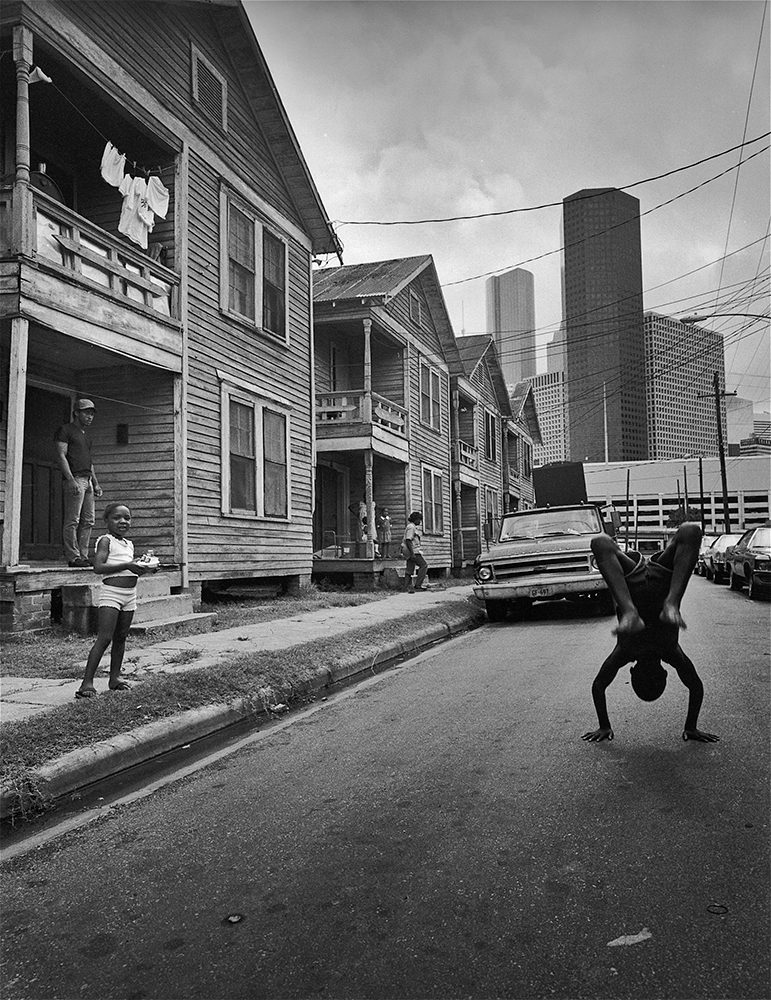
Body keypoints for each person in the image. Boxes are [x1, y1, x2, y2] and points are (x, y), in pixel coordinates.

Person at [582, 522, 719, 744]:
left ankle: (637, 609)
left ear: (665, 673)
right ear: (633, 673)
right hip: (650, 584)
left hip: (647, 584)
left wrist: (605, 726)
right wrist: (603, 724)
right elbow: (598, 686)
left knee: (691, 531)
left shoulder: (670, 652)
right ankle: (665, 604)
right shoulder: (627, 651)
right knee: (600, 543)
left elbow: (696, 686)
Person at [75, 502, 157, 699]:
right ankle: (86, 683)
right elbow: (99, 567)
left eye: (127, 518)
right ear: (106, 521)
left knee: (121, 637)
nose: (123, 521)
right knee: (105, 638)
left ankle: (114, 678)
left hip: (130, 595)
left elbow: (129, 569)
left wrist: (145, 568)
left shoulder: (129, 544)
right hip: (112, 593)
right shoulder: (106, 540)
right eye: (117, 518)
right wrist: (128, 565)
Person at [54, 398, 102, 567]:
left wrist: (95, 483)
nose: (90, 417)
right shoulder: (66, 430)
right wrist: (71, 479)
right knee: (73, 520)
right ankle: (73, 557)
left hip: (87, 480)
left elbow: (90, 463)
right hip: (75, 480)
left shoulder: (86, 437)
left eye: (92, 414)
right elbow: (61, 456)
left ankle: (83, 555)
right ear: (76, 413)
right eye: (86, 413)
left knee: (89, 520)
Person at [402, 511, 429, 593]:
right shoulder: (411, 527)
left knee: (409, 568)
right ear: (415, 519)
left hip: (409, 550)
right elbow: (408, 540)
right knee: (423, 565)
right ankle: (418, 585)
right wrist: (412, 553)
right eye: (419, 520)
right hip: (412, 550)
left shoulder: (411, 526)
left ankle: (405, 587)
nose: (420, 522)